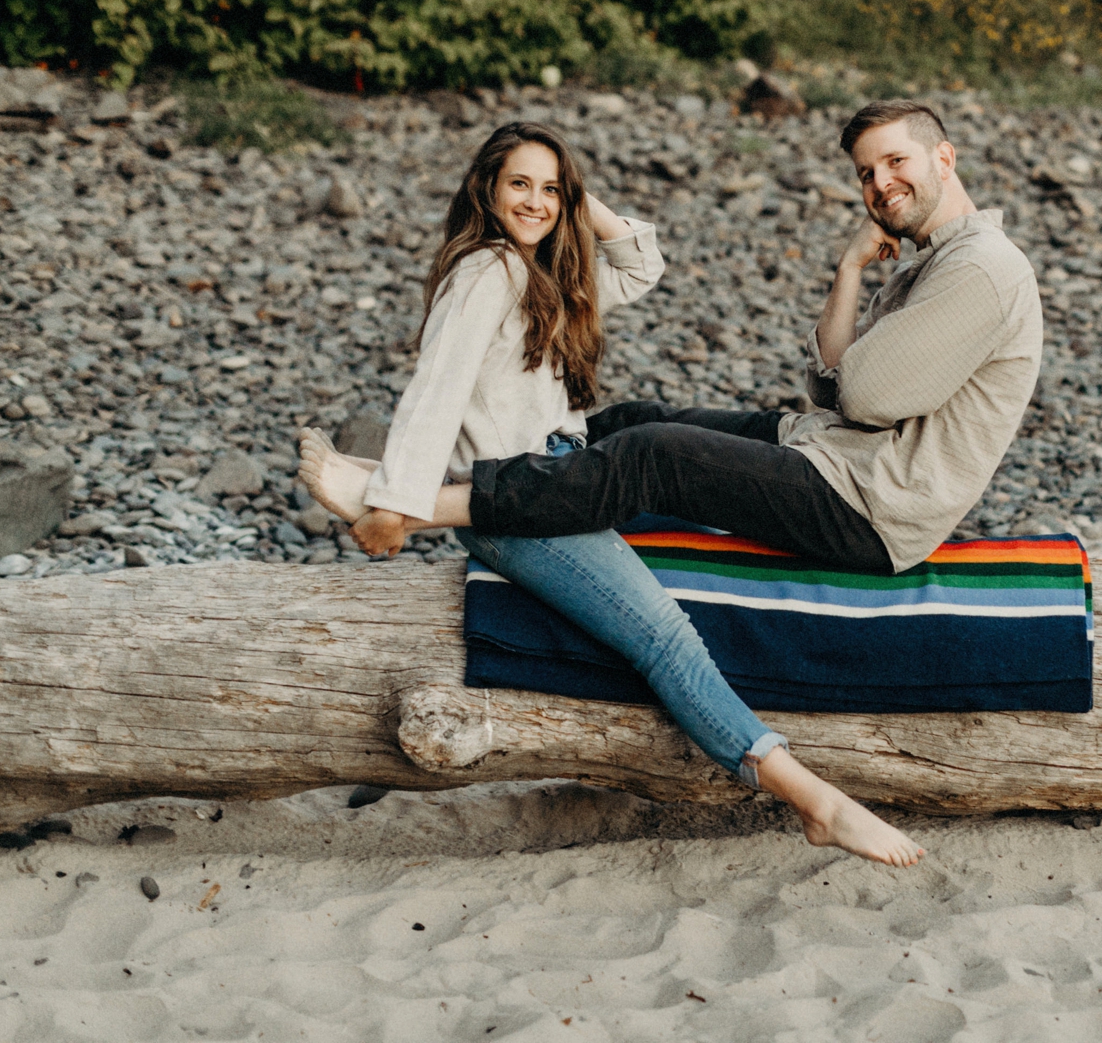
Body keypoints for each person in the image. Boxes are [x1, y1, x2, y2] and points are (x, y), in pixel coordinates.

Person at [299, 120, 922, 868]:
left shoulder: (538, 270)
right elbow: (435, 392)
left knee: (673, 454)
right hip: (519, 502)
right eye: (518, 184)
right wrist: (397, 506)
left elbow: (639, 261)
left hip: (565, 468)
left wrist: (576, 193)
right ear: (486, 190)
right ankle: (813, 800)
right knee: (663, 635)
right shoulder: (486, 271)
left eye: (550, 189)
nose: (535, 201)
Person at [303, 100, 1044, 580]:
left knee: (654, 455)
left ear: (944, 158)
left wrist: (562, 185)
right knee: (629, 422)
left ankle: (424, 505)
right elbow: (828, 387)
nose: (880, 185)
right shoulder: (934, 262)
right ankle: (435, 482)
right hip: (831, 453)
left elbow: (867, 395)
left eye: (897, 163)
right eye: (866, 173)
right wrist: (851, 266)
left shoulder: (980, 270)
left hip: (870, 506)